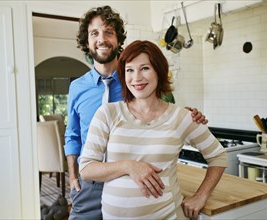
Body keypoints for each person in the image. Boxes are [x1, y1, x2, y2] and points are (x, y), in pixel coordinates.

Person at [64, 6, 208, 220]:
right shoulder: (77, 87)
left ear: (118, 39)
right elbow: (72, 134)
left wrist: (189, 115)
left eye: (109, 32)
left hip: (135, 183)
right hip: (91, 182)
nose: (102, 39)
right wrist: (74, 175)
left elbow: (165, 110)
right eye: (94, 33)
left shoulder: (136, 81)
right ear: (86, 41)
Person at [79, 40, 228, 219]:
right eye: (129, 70)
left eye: (145, 68)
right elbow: (87, 169)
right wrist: (129, 166)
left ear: (159, 70)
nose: (137, 78)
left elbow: (218, 156)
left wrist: (201, 195)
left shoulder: (182, 117)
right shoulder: (108, 113)